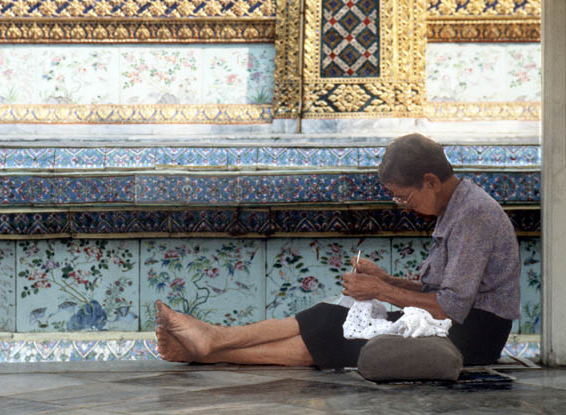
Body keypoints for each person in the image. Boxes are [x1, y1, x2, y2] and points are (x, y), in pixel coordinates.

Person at [156, 133, 520, 368]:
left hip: (472, 336)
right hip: (449, 322)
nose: (403, 205)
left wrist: (380, 291)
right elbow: (437, 291)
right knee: (328, 315)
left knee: (336, 332)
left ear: (430, 181)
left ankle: (209, 348)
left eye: (403, 196)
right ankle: (212, 340)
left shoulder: (472, 215)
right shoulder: (453, 206)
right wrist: (386, 280)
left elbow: (451, 307)